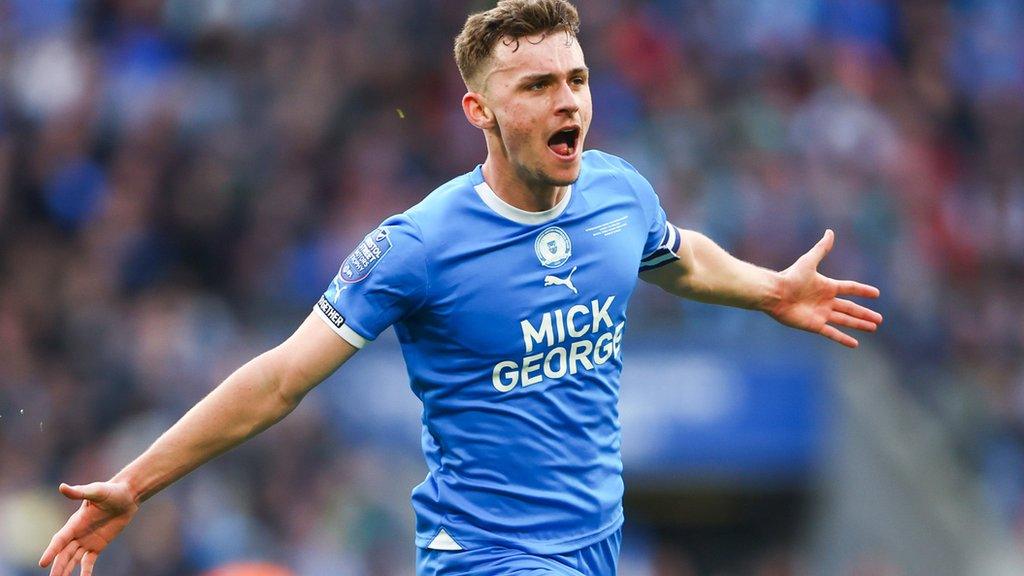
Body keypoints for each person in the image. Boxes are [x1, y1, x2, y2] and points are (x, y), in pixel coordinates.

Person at [39, 1, 883, 575]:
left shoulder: (619, 191)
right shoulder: (417, 246)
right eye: (540, 86)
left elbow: (678, 258)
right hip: (485, 555)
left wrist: (771, 289)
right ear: (479, 111)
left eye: (578, 80)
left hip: (595, 545)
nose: (571, 104)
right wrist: (137, 483)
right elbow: (280, 379)